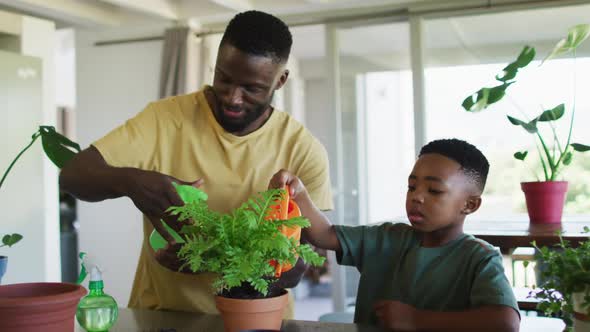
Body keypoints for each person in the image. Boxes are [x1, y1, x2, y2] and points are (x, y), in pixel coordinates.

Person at [60, 10, 333, 317]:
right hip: (161, 316)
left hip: (257, 320)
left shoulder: (303, 150)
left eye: (251, 88)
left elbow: (299, 268)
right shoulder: (164, 119)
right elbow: (72, 176)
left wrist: (212, 258)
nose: (232, 97)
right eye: (224, 78)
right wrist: (131, 182)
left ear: (280, 81)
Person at [269, 138, 521, 331]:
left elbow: (505, 322)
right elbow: (323, 234)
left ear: (470, 205)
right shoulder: (387, 237)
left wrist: (415, 319)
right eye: (412, 186)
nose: (417, 196)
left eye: (434, 190)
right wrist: (298, 193)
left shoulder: (479, 258)